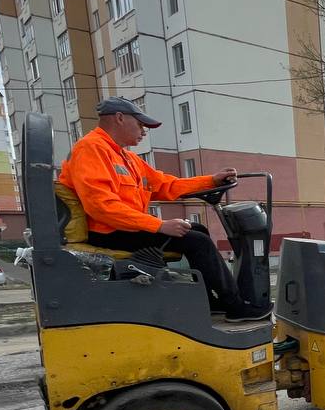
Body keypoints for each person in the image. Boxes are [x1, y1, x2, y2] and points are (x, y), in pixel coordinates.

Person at [58, 97, 271, 322]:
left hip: (123, 229)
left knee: (197, 229)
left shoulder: (126, 157)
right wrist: (160, 226)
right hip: (107, 233)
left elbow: (164, 185)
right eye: (140, 125)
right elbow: (101, 207)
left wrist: (211, 181)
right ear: (119, 118)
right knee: (196, 241)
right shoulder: (91, 149)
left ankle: (212, 300)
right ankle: (235, 307)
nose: (144, 131)